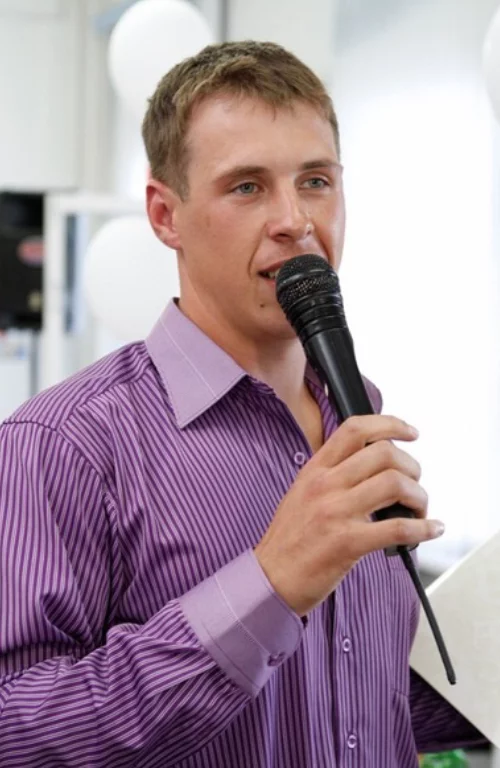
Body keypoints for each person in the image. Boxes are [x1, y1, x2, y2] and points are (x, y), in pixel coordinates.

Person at [0, 41, 485, 767]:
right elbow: (15, 732)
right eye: (248, 187)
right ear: (165, 215)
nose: (295, 219)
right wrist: (268, 585)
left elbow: (351, 695)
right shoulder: (63, 444)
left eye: (315, 181)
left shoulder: (357, 415)